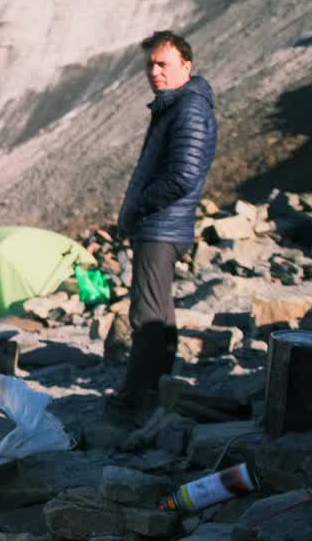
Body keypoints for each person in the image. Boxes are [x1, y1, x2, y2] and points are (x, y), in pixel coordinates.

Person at [112, 30, 218, 413]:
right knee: (158, 310)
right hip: (162, 224)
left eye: (163, 64)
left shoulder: (188, 107)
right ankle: (160, 389)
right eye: (150, 64)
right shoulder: (175, 105)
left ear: (186, 66)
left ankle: (137, 398)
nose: (155, 72)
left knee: (147, 313)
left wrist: (140, 205)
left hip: (161, 226)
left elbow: (183, 174)